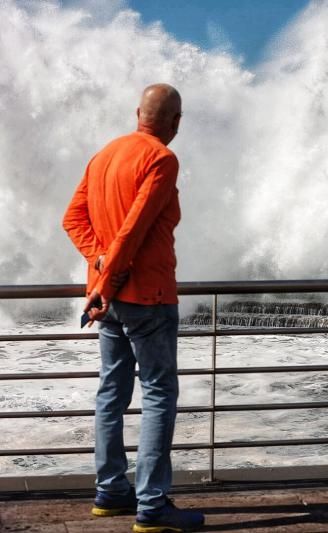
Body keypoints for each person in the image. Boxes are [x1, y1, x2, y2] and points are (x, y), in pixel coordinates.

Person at [63, 84, 204, 533]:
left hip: (108, 303)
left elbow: (74, 219)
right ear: (175, 122)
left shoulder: (104, 154)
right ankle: (153, 504)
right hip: (148, 298)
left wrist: (99, 264)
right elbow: (134, 229)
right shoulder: (161, 159)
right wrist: (110, 269)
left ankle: (110, 492)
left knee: (111, 393)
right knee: (160, 395)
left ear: (137, 113)